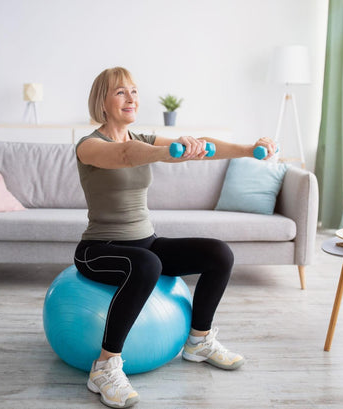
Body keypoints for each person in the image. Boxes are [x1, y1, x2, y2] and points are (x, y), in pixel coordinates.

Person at [74, 67, 277, 409]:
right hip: (99, 248)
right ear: (103, 102)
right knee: (147, 264)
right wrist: (170, 151)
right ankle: (104, 367)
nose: (131, 98)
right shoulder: (90, 145)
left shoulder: (144, 140)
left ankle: (198, 341)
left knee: (218, 254)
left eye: (134, 91)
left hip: (145, 242)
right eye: (120, 92)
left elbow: (206, 148)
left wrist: (247, 148)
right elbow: (124, 156)